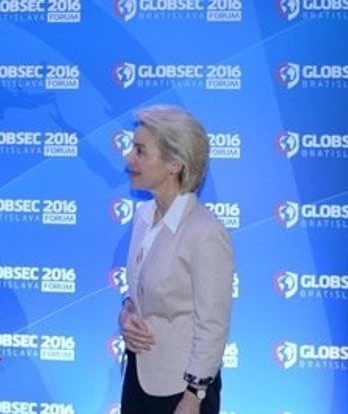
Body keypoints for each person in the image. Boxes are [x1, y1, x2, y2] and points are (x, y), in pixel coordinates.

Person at [118, 105, 234, 414]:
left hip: (183, 391)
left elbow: (213, 324)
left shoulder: (205, 232)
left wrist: (194, 394)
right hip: (138, 378)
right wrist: (126, 314)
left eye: (140, 151)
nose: (129, 159)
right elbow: (138, 292)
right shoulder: (143, 217)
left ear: (174, 164)